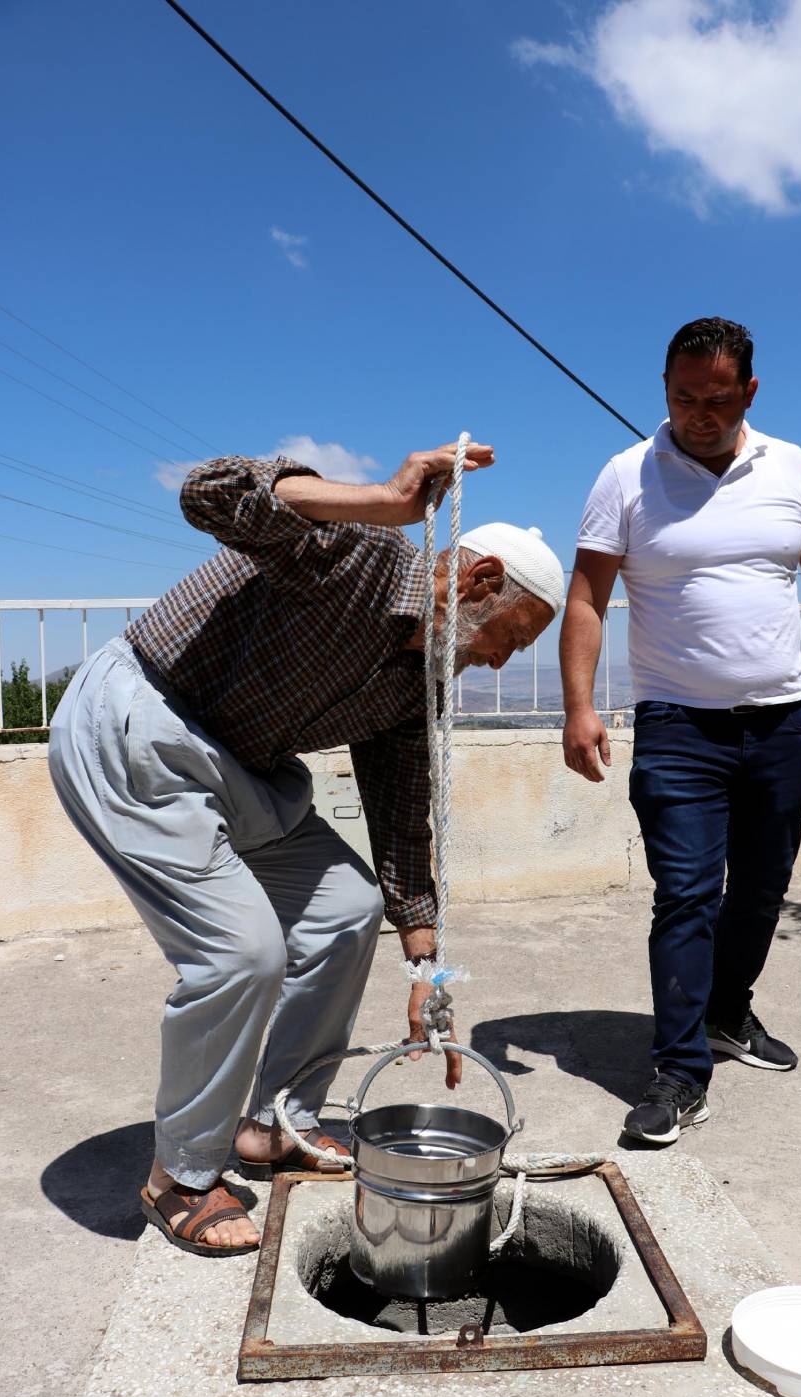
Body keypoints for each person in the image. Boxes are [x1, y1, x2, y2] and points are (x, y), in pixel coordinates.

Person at [49, 442, 564, 1254]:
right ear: (480, 580)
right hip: (140, 724)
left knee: (348, 907)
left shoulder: (415, 680)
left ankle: (272, 1124)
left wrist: (428, 972)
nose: (501, 659)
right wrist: (384, 500)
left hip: (241, 770)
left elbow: (401, 817)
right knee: (239, 952)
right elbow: (211, 492)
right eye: (512, 637)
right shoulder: (353, 552)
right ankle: (178, 1177)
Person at [560, 317, 801, 1147]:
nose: (697, 415)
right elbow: (589, 596)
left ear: (749, 391)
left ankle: (729, 1014)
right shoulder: (627, 475)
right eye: (681, 398)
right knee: (688, 895)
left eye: (715, 399)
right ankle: (678, 1072)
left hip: (780, 723)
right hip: (676, 727)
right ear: (663, 389)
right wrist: (579, 705)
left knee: (764, 887)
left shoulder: (792, 466)